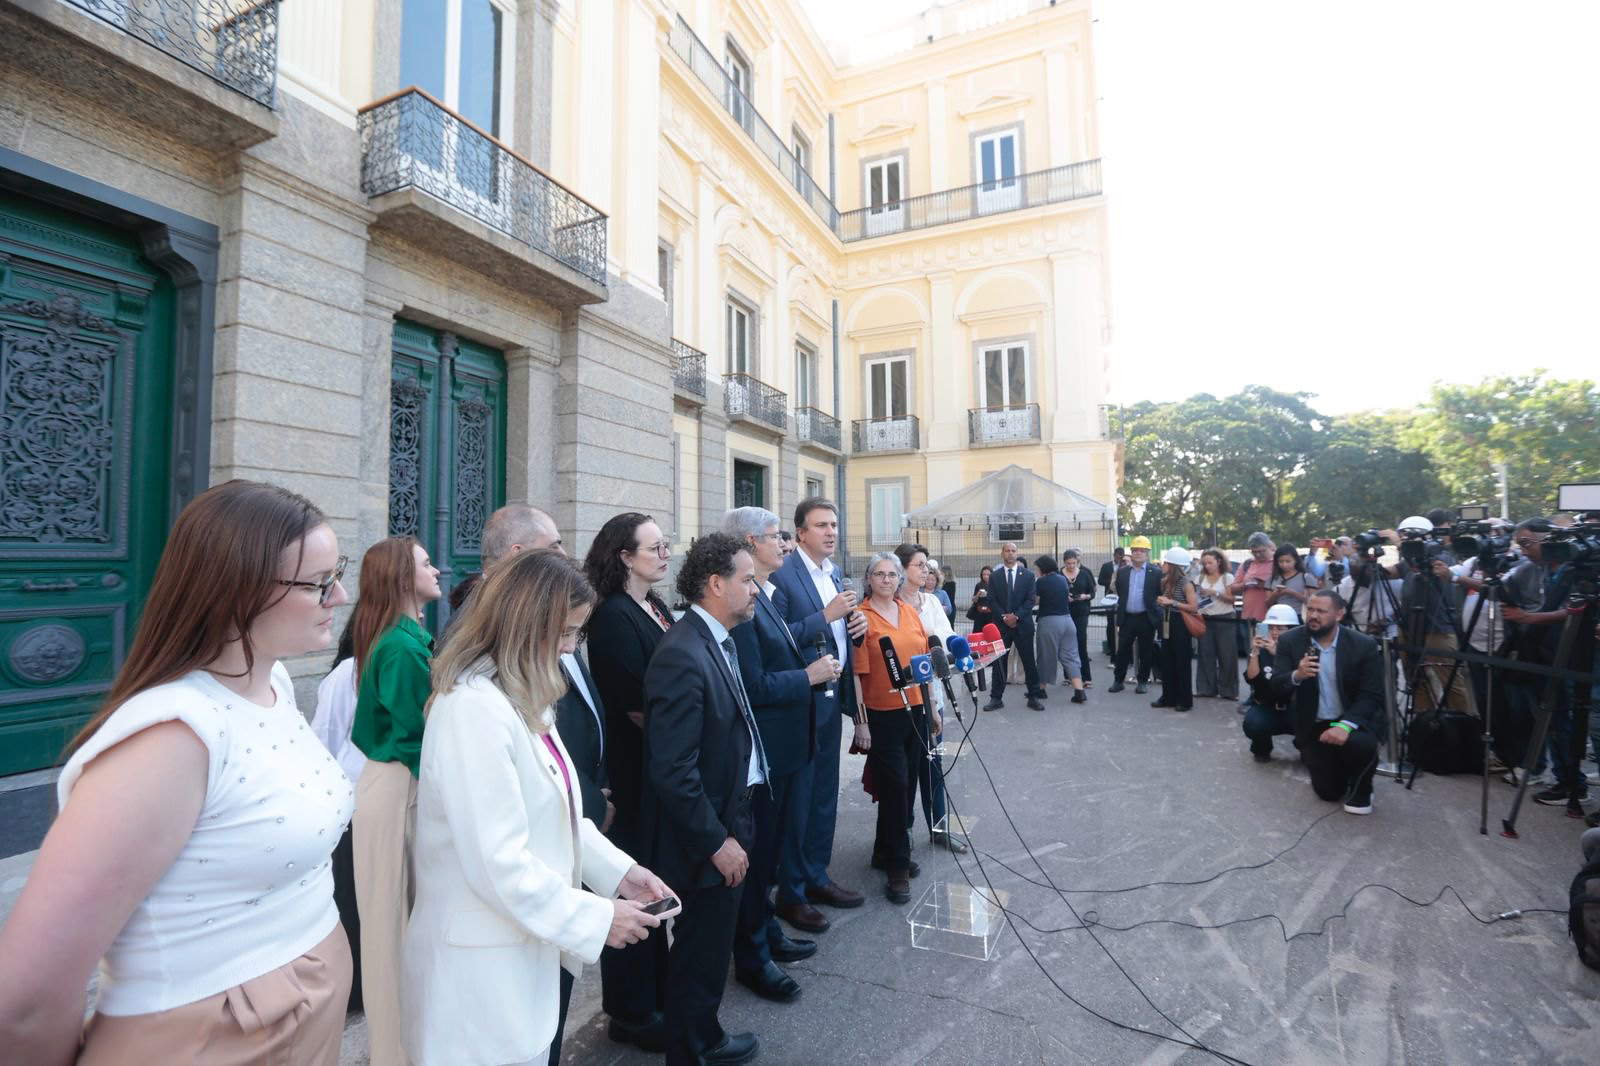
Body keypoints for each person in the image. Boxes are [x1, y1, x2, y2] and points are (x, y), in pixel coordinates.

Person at [0, 481, 353, 1066]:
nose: (339, 595)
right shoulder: (169, 739)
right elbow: (28, 997)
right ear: (237, 590)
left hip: (304, 1002)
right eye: (318, 582)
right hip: (214, 1034)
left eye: (335, 573)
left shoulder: (273, 683)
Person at [403, 550, 672, 1066]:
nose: (571, 647)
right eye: (565, 632)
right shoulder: (473, 709)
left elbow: (559, 808)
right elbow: (497, 860)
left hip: (521, 946)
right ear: (525, 626)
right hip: (479, 973)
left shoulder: (521, 695)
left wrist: (619, 873)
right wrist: (596, 917)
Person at [643, 533, 767, 1066]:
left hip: (732, 814)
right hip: (708, 835)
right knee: (699, 951)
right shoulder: (682, 653)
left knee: (711, 948)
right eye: (747, 579)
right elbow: (673, 770)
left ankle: (704, 1035)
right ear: (716, 584)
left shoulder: (715, 639)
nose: (756, 588)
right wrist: (717, 842)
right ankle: (692, 1049)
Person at [723, 508, 833, 1004]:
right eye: (777, 536)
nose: (785, 543)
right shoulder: (743, 604)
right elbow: (752, 685)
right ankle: (753, 957)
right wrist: (808, 676)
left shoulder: (765, 592)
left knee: (768, 857)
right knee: (759, 855)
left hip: (787, 749)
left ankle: (767, 933)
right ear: (750, 542)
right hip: (766, 753)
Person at [582, 512, 675, 1051]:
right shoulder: (613, 617)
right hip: (635, 770)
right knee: (632, 883)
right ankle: (631, 1011)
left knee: (654, 883)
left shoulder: (654, 604)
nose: (665, 554)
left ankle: (657, 994)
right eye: (654, 547)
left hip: (659, 766)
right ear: (624, 556)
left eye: (665, 546)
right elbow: (635, 703)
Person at [349, 535, 442, 1066]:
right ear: (403, 578)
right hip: (400, 787)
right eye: (425, 563)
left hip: (397, 783)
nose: (437, 569)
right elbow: (416, 737)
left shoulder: (406, 637)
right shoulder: (402, 646)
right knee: (392, 935)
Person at [769, 497, 869, 933]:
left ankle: (816, 876)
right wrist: (826, 615)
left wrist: (855, 628)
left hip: (830, 700)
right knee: (800, 800)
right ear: (801, 533)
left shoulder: (834, 573)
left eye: (834, 524)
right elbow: (777, 639)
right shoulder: (782, 576)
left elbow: (837, 632)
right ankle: (791, 894)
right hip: (799, 703)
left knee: (825, 795)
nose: (831, 532)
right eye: (821, 525)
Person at [852, 552, 937, 904]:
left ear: (899, 580)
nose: (886, 580)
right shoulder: (861, 617)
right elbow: (856, 675)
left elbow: (924, 664)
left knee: (907, 784)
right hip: (882, 715)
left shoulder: (909, 611)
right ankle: (897, 867)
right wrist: (861, 722)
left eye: (892, 574)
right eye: (879, 574)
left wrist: (932, 707)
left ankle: (882, 850)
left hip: (915, 710)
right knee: (896, 788)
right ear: (869, 579)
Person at [1272, 589, 1386, 814]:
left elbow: (1372, 694)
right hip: (1315, 725)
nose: (1313, 616)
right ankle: (1344, 770)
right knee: (1328, 792)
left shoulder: (1362, 644)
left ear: (1339, 614)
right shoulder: (1290, 640)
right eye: (1310, 610)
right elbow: (1276, 686)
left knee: (1361, 745)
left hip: (1351, 721)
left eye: (1321, 611)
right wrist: (1297, 675)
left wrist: (1345, 726)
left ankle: (1362, 787)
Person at [896, 543, 969, 853]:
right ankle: (903, 831)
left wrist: (960, 649)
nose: (926, 570)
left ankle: (939, 828)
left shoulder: (933, 601)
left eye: (926, 565)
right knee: (905, 771)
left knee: (934, 766)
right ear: (901, 569)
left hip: (933, 696)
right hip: (901, 699)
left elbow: (946, 635)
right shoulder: (891, 604)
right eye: (919, 565)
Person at [311, 621, 365, 1013]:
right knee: (348, 899)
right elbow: (325, 737)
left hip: (378, 802)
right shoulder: (348, 672)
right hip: (349, 804)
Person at [984, 542, 1045, 711]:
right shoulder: (995, 576)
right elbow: (991, 600)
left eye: (1013, 551)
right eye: (1007, 551)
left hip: (1022, 625)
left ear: (1017, 553)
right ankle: (996, 698)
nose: (1010, 553)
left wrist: (1016, 616)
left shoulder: (1028, 575)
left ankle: (1033, 696)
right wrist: (1004, 617)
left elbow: (1030, 600)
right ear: (1002, 553)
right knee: (999, 663)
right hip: (1002, 627)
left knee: (1029, 662)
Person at [1240, 605, 1303, 760]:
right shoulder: (1262, 649)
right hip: (1267, 706)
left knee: (1314, 728)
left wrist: (1278, 655)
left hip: (1295, 709)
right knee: (1253, 723)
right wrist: (1255, 651)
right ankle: (1262, 748)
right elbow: (1252, 678)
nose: (1274, 632)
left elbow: (1301, 679)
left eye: (1280, 629)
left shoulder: (1301, 649)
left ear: (1292, 630)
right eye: (1271, 628)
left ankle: (1304, 745)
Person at [1109, 537, 1162, 694]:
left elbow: (1159, 594)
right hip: (1127, 618)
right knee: (1122, 651)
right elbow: (1120, 591)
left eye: (1142, 551)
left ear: (1147, 553)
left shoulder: (1155, 572)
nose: (1138, 553)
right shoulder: (1123, 572)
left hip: (1146, 618)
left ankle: (1142, 682)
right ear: (1131, 553)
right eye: (1135, 550)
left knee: (1146, 651)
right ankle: (1118, 681)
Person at [1034, 555, 1087, 704]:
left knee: (1046, 656)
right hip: (1067, 621)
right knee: (1071, 656)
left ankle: (1041, 689)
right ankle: (1079, 691)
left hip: (1049, 622)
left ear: (1043, 568)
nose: (1036, 571)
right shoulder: (1062, 579)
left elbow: (1035, 600)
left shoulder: (1041, 581)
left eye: (1037, 568)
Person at [1153, 547, 1200, 712]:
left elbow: (1193, 607)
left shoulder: (1187, 583)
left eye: (1166, 562)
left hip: (1181, 623)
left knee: (1181, 662)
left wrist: (1172, 603)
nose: (1163, 565)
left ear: (1173, 565)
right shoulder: (1166, 581)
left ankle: (1184, 700)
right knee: (1167, 661)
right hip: (1167, 621)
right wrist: (1161, 601)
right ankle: (1168, 697)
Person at [1193, 548, 1239, 701]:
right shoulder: (1199, 578)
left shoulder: (1228, 578)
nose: (1207, 566)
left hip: (1225, 618)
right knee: (1205, 654)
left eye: (1210, 563)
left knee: (1227, 655)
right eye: (1204, 563)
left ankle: (1229, 691)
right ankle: (1206, 688)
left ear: (1219, 562)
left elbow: (1232, 600)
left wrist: (1215, 593)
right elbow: (1194, 598)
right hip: (1205, 619)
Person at [1235, 532, 1278, 651]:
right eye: (1254, 552)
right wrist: (1246, 583)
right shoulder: (1247, 564)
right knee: (1252, 651)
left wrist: (1263, 584)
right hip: (1249, 617)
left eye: (1261, 551)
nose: (1258, 555)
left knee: (1267, 652)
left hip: (1271, 618)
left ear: (1269, 546)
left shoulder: (1278, 562)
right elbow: (1233, 588)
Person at [1062, 549, 1098, 687]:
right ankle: (1068, 676)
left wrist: (1085, 596)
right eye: (1068, 563)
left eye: (1074, 563)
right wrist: (1065, 597)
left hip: (1081, 612)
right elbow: (1056, 591)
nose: (1071, 566)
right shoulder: (1060, 574)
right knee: (1066, 644)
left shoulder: (1084, 574)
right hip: (1065, 612)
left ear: (1077, 562)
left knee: (1081, 643)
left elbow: (1092, 593)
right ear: (1064, 562)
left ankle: (1086, 677)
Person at [1265, 544, 1318, 621]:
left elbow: (1314, 603)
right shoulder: (1272, 579)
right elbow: (1267, 604)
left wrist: (1292, 592)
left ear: (1295, 560)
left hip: (1299, 616)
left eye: (1288, 561)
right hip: (1278, 617)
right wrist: (1275, 594)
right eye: (1280, 561)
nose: (1284, 565)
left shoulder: (1306, 578)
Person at [1098, 547, 1126, 658]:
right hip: (1110, 597)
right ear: (1114, 555)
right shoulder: (1106, 566)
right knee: (1110, 624)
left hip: (1122, 598)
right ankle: (1111, 648)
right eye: (1118, 556)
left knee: (1122, 623)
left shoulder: (1125, 566)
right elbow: (1100, 581)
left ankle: (1121, 648)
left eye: (1121, 557)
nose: (1119, 559)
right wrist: (1111, 582)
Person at [966, 565, 996, 632]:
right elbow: (974, 600)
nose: (985, 576)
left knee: (990, 633)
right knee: (978, 633)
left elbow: (998, 598)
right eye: (984, 574)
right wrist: (978, 594)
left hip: (991, 614)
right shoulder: (979, 585)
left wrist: (987, 594)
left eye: (988, 574)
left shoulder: (995, 585)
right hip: (979, 614)